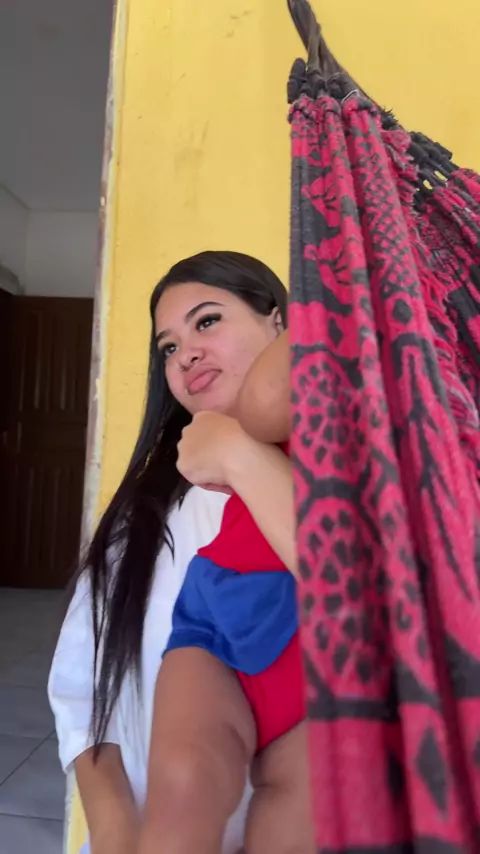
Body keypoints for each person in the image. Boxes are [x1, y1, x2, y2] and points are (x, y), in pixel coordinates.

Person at [48, 251, 306, 854]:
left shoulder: (361, 475)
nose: (185, 354)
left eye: (207, 321)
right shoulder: (139, 522)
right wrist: (114, 828)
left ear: (280, 323)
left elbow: (372, 592)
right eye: (168, 347)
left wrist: (240, 453)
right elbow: (82, 689)